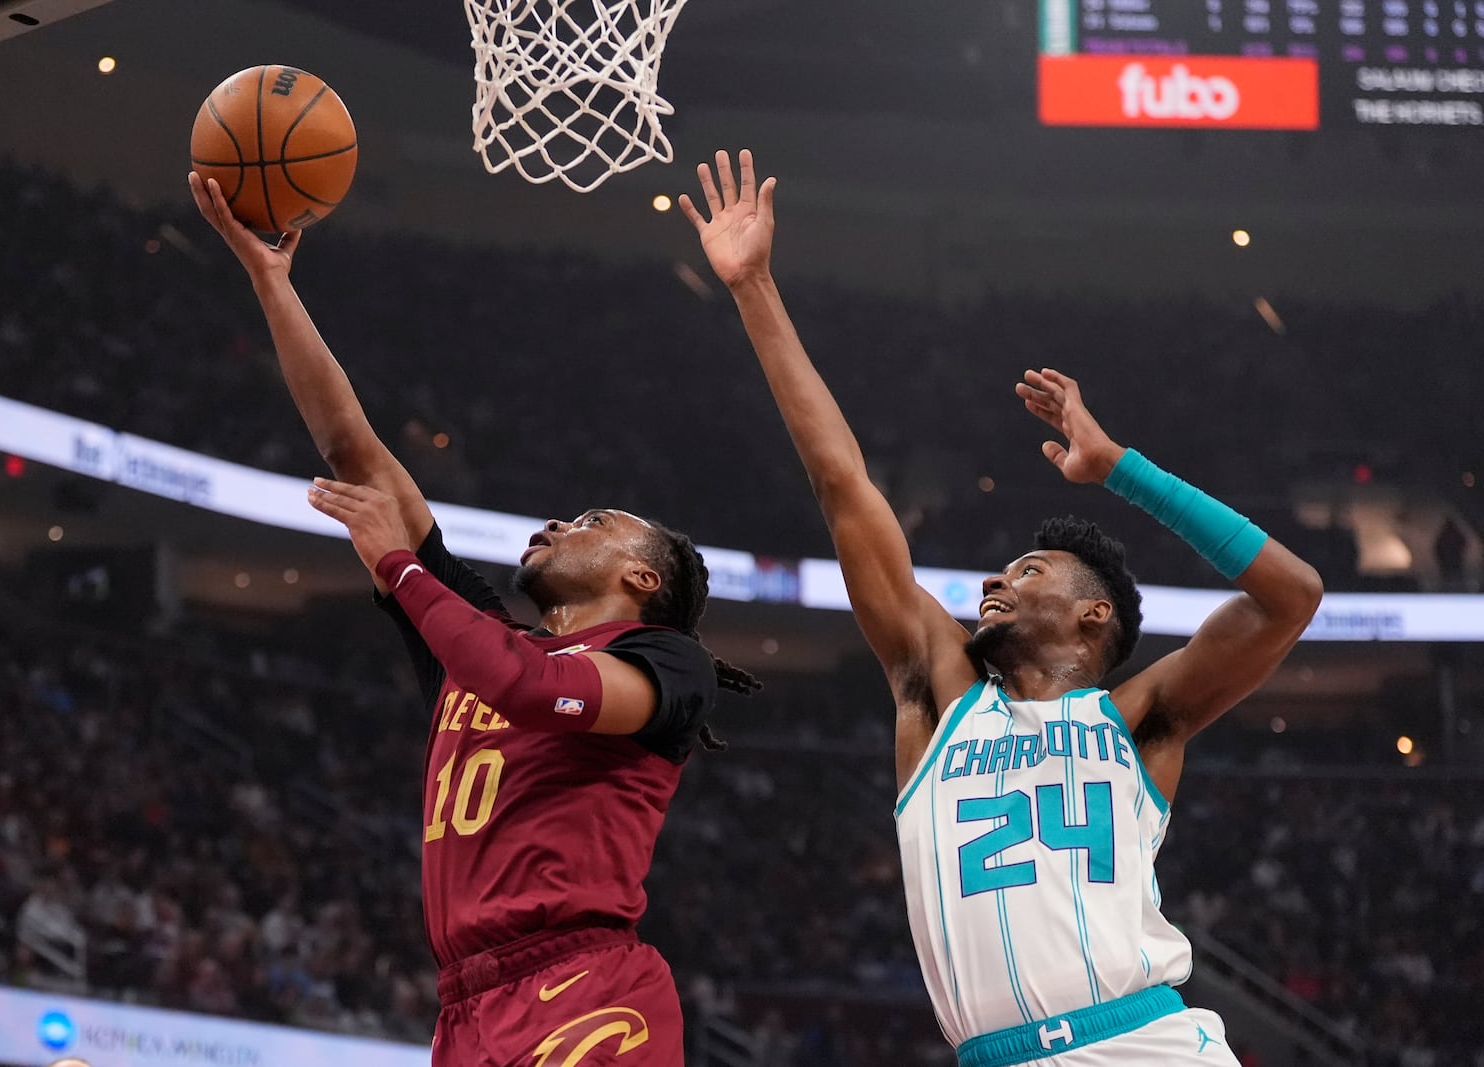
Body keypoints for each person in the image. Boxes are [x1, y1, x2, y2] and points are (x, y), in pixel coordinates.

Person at [682, 150, 1323, 1066]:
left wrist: (1122, 471)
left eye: (1028, 569)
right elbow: (842, 483)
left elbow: (1292, 596)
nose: (994, 582)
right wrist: (755, 290)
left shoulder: (1142, 720)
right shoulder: (937, 689)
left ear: (1094, 616)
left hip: (1145, 1042)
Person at [188, 173, 757, 1066]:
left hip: (586, 988)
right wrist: (272, 282)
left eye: (589, 522)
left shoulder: (666, 663)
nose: (553, 524)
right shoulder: (479, 639)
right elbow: (355, 455)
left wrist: (401, 567)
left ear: (642, 577)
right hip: (466, 1006)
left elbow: (528, 688)